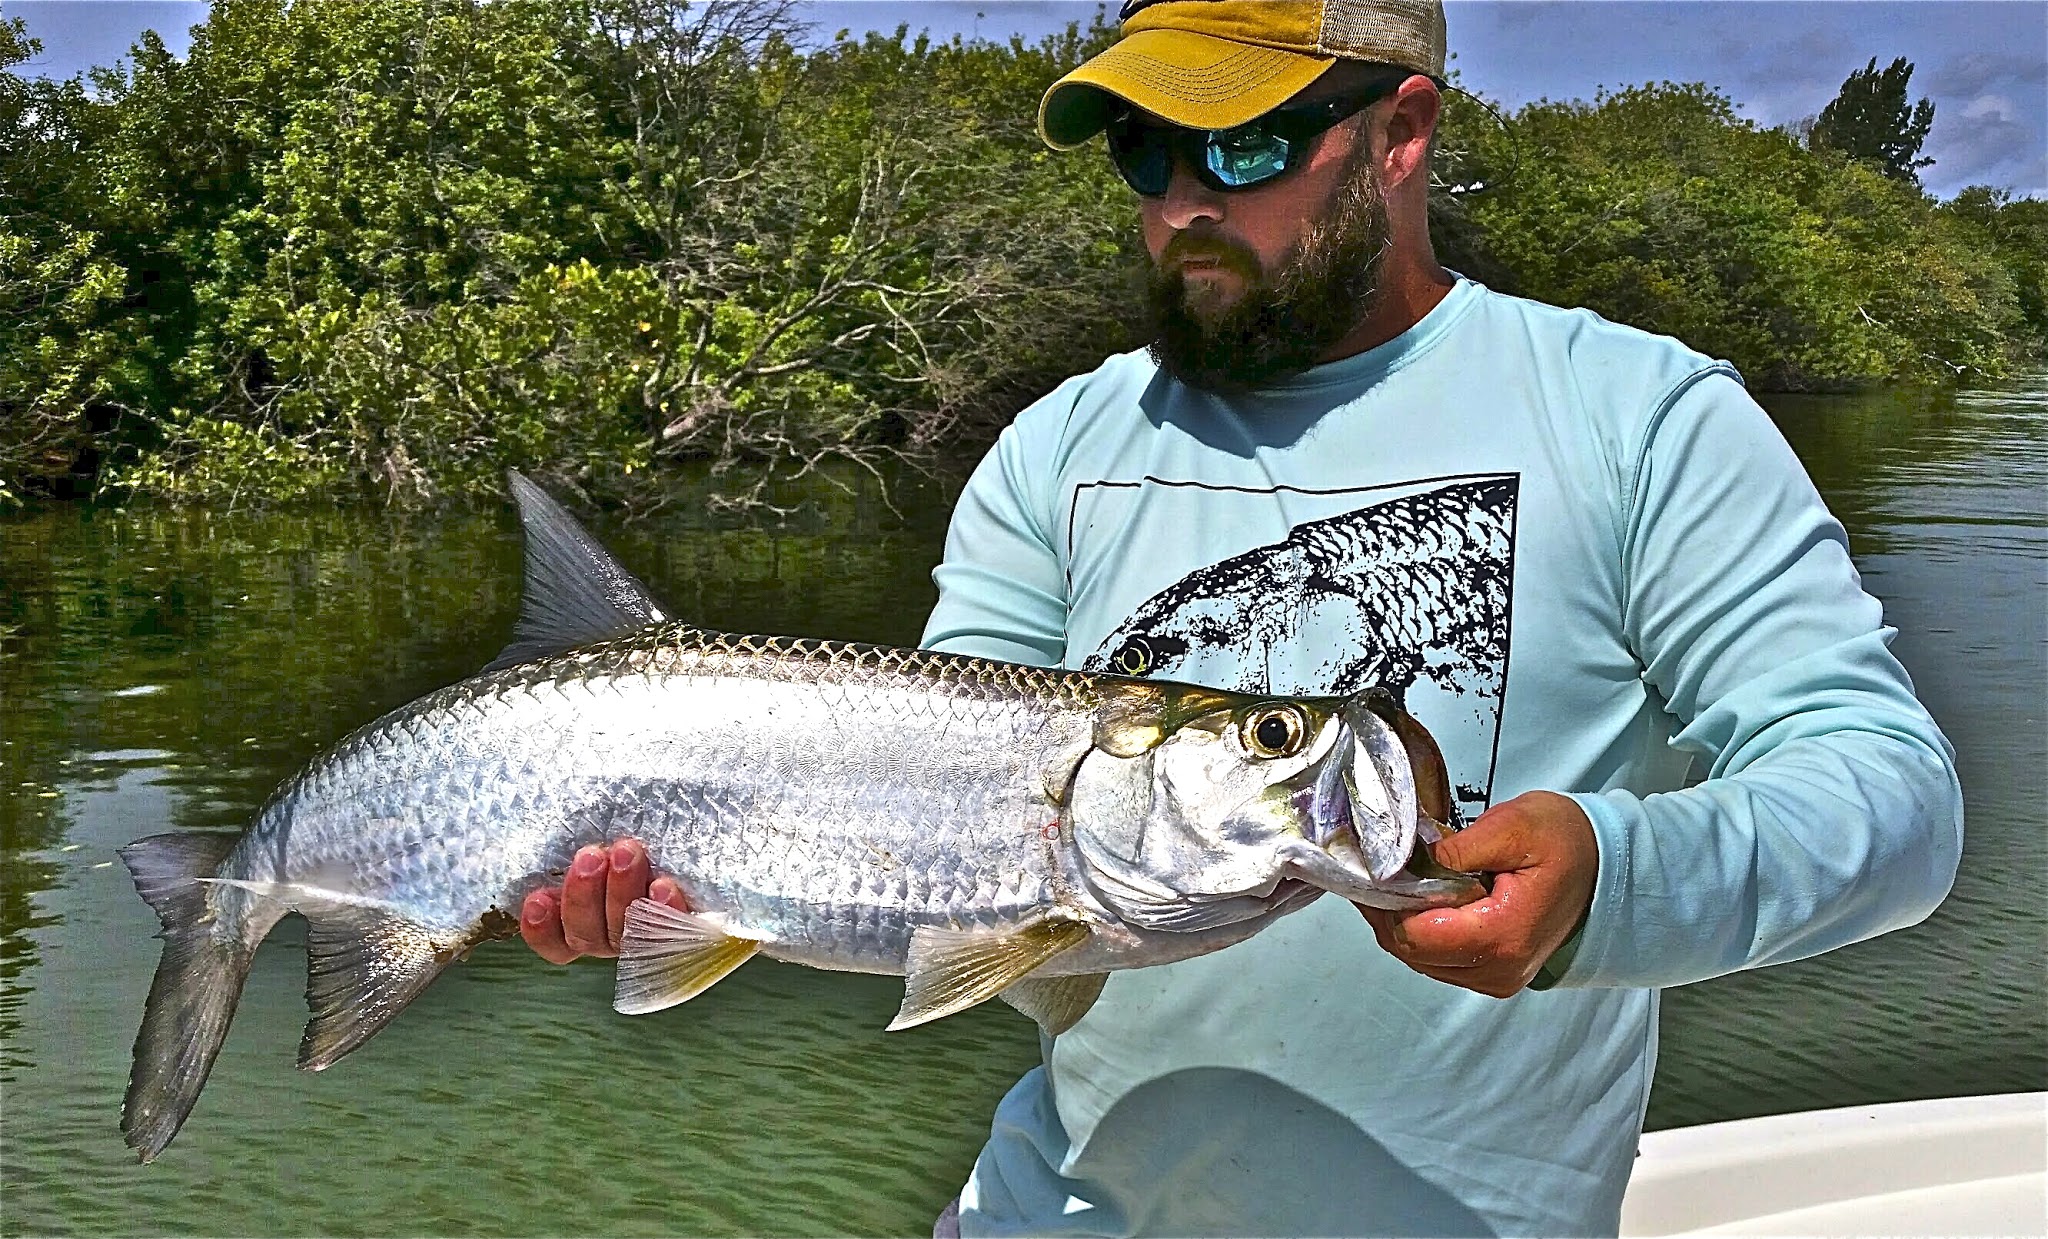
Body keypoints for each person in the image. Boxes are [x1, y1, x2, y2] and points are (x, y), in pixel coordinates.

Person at [518, 1, 1965, 1233]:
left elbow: (1891, 796)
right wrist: (686, 883)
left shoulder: (1643, 417)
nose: (1183, 200)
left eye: (1245, 143)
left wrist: (1610, 876)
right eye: (1146, 152)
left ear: (1402, 134)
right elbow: (947, 829)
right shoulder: (1056, 447)